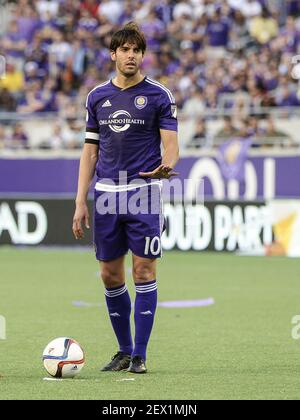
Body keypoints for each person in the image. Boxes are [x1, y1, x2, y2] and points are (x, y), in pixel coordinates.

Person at [72, 22, 179, 374]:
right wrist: (79, 202)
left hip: (143, 193)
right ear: (114, 54)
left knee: (143, 270)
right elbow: (90, 152)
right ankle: (123, 350)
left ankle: (140, 355)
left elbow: (171, 144)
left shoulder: (160, 96)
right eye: (125, 50)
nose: (131, 56)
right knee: (109, 275)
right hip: (105, 196)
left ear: (142, 55)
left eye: (137, 50)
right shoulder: (97, 97)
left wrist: (166, 167)